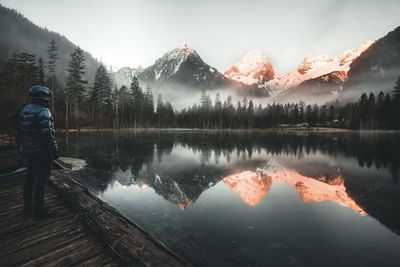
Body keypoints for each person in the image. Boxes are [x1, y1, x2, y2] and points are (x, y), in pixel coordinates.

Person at [18, 85, 59, 219]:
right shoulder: (43, 111)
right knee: (41, 180)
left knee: (30, 178)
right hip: (42, 153)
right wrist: (55, 151)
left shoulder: (25, 110)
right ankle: (39, 210)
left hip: (30, 152)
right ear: (45, 97)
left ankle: (27, 207)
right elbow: (48, 135)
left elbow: (19, 132)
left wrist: (22, 147)